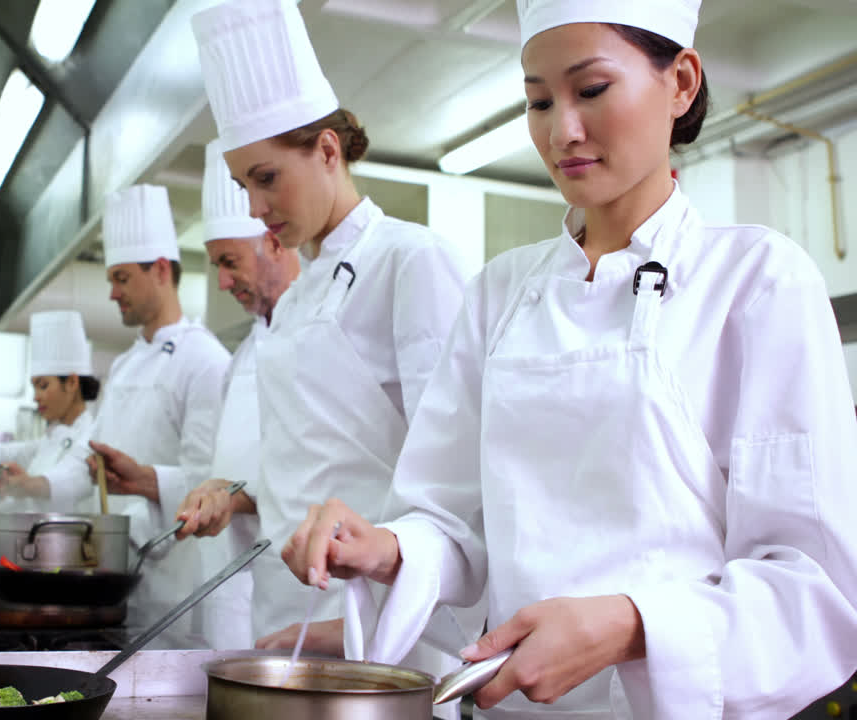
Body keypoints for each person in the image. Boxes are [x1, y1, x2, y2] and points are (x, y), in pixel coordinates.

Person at [283, 1, 857, 717]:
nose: (562, 131)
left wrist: (629, 625)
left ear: (680, 82)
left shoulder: (757, 279)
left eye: (591, 91)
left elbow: (812, 585)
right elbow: (454, 523)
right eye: (537, 101)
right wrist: (388, 546)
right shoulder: (501, 291)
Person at [190, 0, 482, 684]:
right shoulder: (296, 303)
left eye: (266, 179)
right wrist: (239, 492)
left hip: (383, 623)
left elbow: (456, 477)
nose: (256, 209)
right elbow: (310, 462)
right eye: (243, 186)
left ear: (327, 150)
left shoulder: (412, 261)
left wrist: (371, 618)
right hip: (288, 613)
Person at [42, 184, 230, 637]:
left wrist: (143, 480)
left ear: (161, 270)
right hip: (122, 582)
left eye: (121, 278)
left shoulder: (205, 360)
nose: (111, 293)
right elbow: (92, 454)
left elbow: (212, 480)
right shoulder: (125, 365)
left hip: (178, 586)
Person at [173, 139, 301, 650]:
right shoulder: (245, 354)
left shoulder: (322, 332)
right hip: (245, 582)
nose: (223, 282)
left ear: (273, 243)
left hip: (315, 594)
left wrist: (235, 494)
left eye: (230, 262)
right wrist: (212, 491)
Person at [0, 310, 98, 514]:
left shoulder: (93, 437)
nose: (36, 397)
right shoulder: (50, 441)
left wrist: (19, 484)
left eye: (43, 385)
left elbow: (69, 479)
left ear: (72, 382)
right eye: (34, 387)